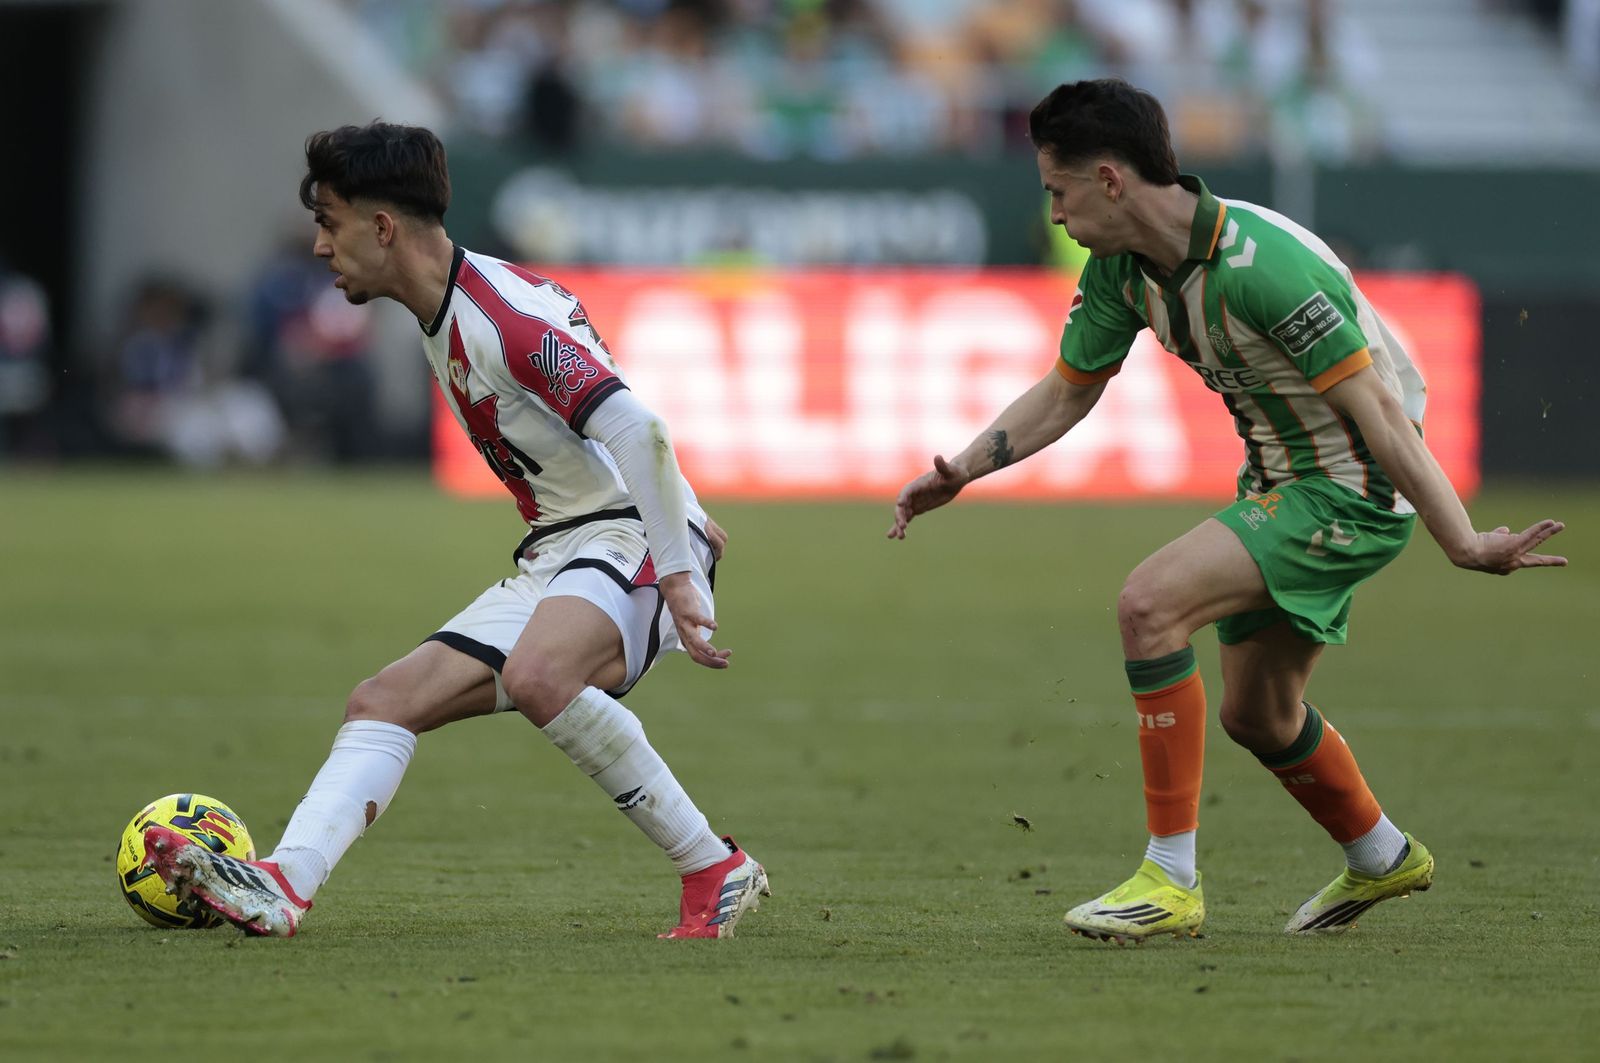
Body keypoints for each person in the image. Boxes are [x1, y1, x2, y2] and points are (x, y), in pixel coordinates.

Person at [887, 79, 1566, 944]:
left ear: (1109, 180)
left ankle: (1170, 878)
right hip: (1281, 482)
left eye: (1056, 190)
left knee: (1150, 602)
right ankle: (1382, 853)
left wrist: (1463, 540)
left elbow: (1384, 415)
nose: (1052, 213)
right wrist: (967, 469)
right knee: (1260, 714)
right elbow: (1067, 392)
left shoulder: (1265, 267)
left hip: (1351, 488)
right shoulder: (1123, 270)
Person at [144, 121, 769, 940]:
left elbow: (637, 427)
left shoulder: (498, 320)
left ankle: (712, 868)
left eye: (329, 221)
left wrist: (681, 567)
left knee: (543, 673)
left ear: (382, 227)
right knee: (383, 702)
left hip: (631, 538)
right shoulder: (453, 305)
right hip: (570, 546)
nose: (319, 245)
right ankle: (282, 884)